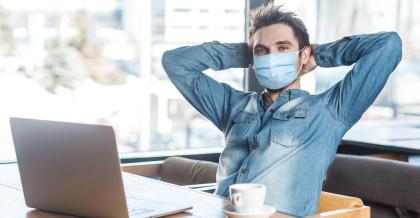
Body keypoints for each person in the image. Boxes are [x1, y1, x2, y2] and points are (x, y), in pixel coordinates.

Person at [161, 3, 402, 217]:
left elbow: (388, 46)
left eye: (283, 47)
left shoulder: (329, 111)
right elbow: (175, 63)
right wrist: (244, 53)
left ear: (302, 54)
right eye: (262, 51)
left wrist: (320, 56)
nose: (271, 56)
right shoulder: (233, 105)